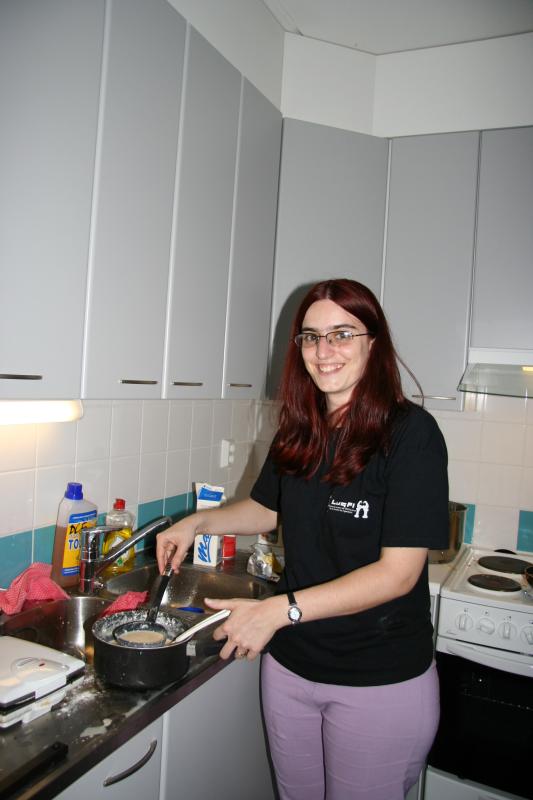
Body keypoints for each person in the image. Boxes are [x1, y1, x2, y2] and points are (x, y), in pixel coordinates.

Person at [156, 278, 449, 800]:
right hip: (292, 669)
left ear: (374, 343)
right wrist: (198, 522)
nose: (324, 350)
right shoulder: (301, 427)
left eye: (342, 334)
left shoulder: (411, 434)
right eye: (311, 337)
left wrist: (278, 610)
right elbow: (266, 509)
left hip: (377, 678)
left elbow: (397, 574)